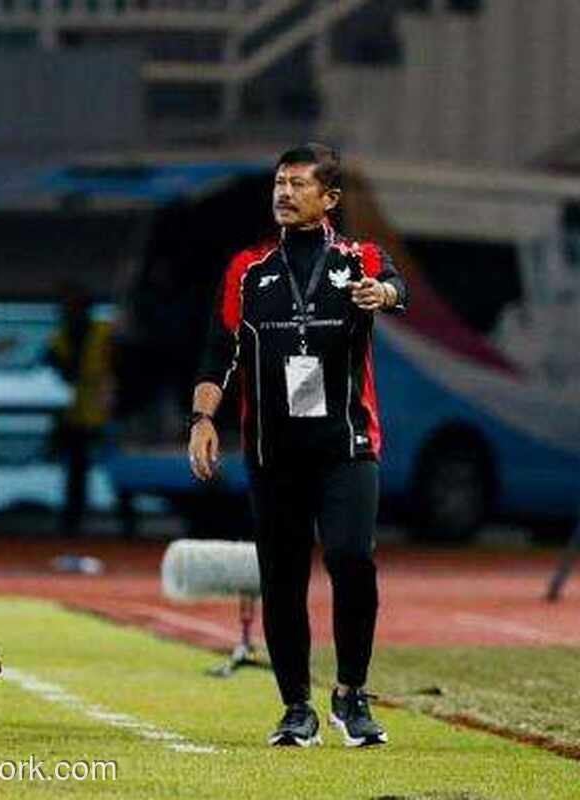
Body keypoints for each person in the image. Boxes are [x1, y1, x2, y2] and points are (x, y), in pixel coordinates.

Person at [188, 143, 408, 748]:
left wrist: (382, 296)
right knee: (282, 578)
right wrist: (202, 420)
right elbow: (217, 352)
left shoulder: (359, 258)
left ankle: (351, 696)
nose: (284, 193)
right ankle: (296, 708)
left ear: (329, 198)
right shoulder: (248, 269)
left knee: (350, 559)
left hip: (347, 444)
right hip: (273, 450)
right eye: (279, 184)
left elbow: (395, 285)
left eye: (298, 184)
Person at [45, 284, 113, 536]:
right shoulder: (59, 337)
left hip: (104, 410)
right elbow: (58, 372)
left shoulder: (103, 331)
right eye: (67, 307)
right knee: (75, 468)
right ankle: (72, 522)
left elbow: (117, 366)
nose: (70, 312)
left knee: (114, 467)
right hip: (74, 413)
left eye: (75, 307)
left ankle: (126, 522)